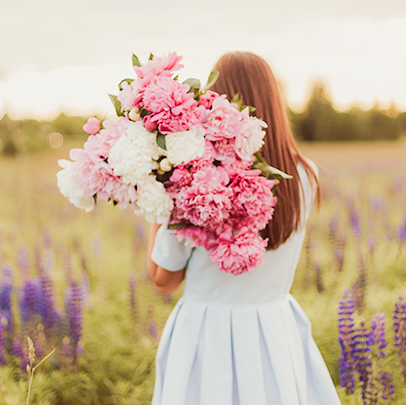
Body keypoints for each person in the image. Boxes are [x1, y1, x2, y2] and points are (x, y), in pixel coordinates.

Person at [146, 51, 342, 405]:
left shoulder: (196, 180)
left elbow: (163, 279)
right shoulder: (305, 176)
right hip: (275, 329)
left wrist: (154, 201)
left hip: (206, 336)